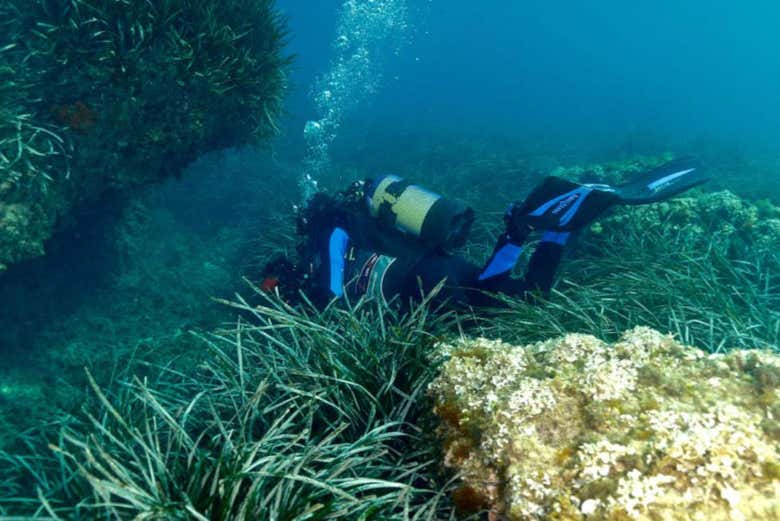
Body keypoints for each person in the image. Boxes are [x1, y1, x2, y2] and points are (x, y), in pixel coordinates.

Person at [261, 158, 707, 309]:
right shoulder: (360, 222)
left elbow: (332, 294)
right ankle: (543, 226)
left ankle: (529, 225)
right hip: (441, 271)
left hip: (431, 288)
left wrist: (316, 305)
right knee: (528, 295)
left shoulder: (332, 227)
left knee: (489, 309)